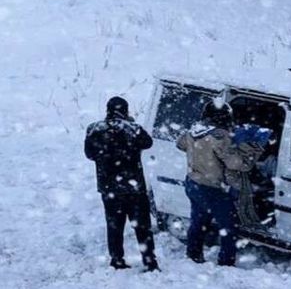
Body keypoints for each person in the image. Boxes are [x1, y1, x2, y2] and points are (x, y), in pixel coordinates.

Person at [176, 101, 262, 266]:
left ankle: (193, 254)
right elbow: (235, 164)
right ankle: (226, 262)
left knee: (198, 222)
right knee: (229, 227)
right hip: (213, 188)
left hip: (193, 183)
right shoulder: (219, 137)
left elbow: (180, 144)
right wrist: (251, 154)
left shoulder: (193, 131)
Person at [84, 96, 160, 271]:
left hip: (109, 187)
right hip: (134, 187)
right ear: (125, 111)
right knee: (142, 226)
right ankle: (149, 261)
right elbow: (148, 143)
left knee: (114, 225)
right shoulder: (133, 129)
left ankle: (117, 259)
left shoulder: (94, 129)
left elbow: (89, 154)